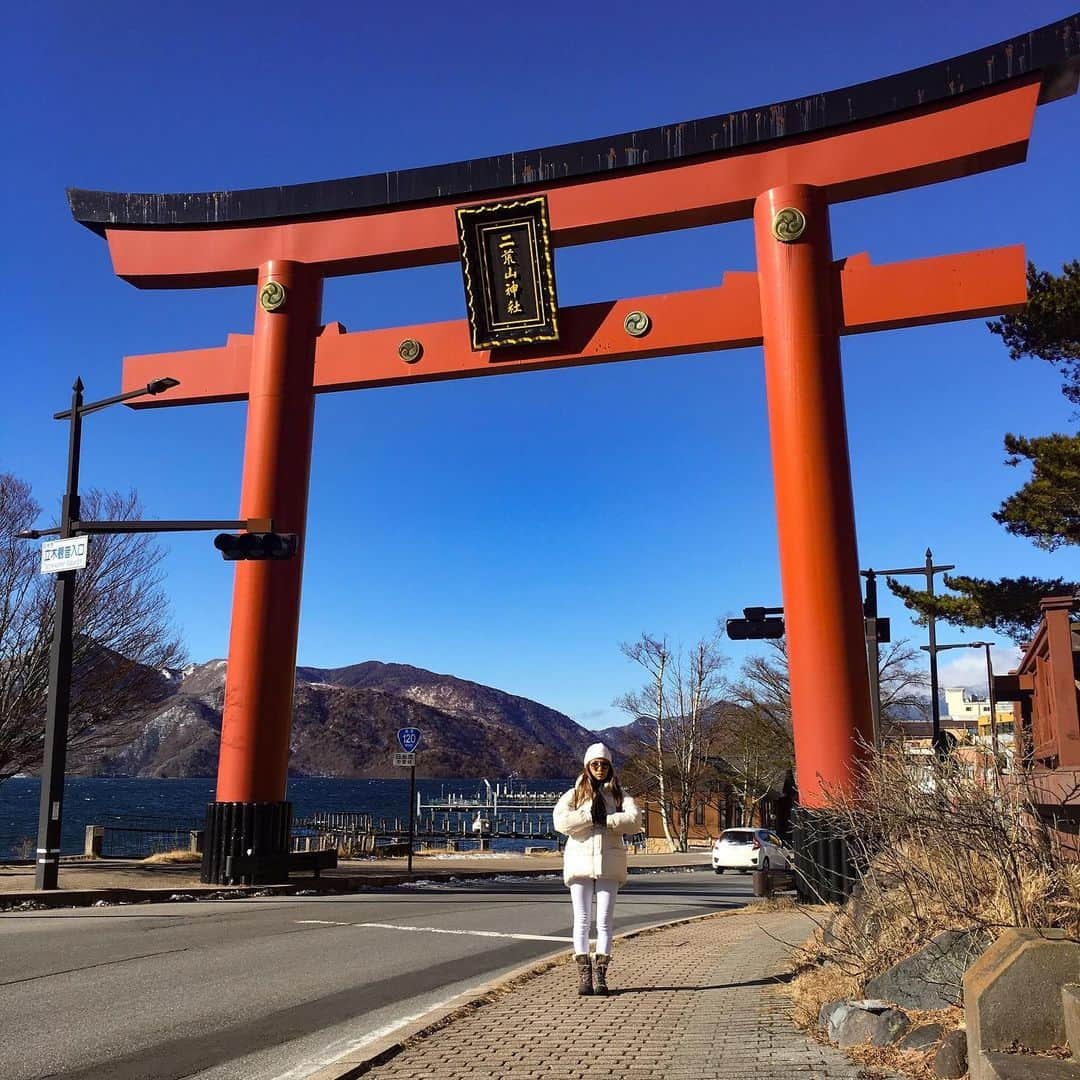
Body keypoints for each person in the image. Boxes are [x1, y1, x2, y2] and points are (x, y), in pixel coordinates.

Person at [552, 742, 641, 996]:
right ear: (587, 766)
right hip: (579, 861)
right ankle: (584, 974)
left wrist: (608, 820)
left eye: (604, 764)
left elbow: (635, 821)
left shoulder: (619, 795)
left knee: (604, 920)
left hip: (609, 863)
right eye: (595, 764)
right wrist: (588, 816)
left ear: (610, 766)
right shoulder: (575, 794)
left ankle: (601, 975)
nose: (600, 768)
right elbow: (560, 821)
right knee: (581, 919)